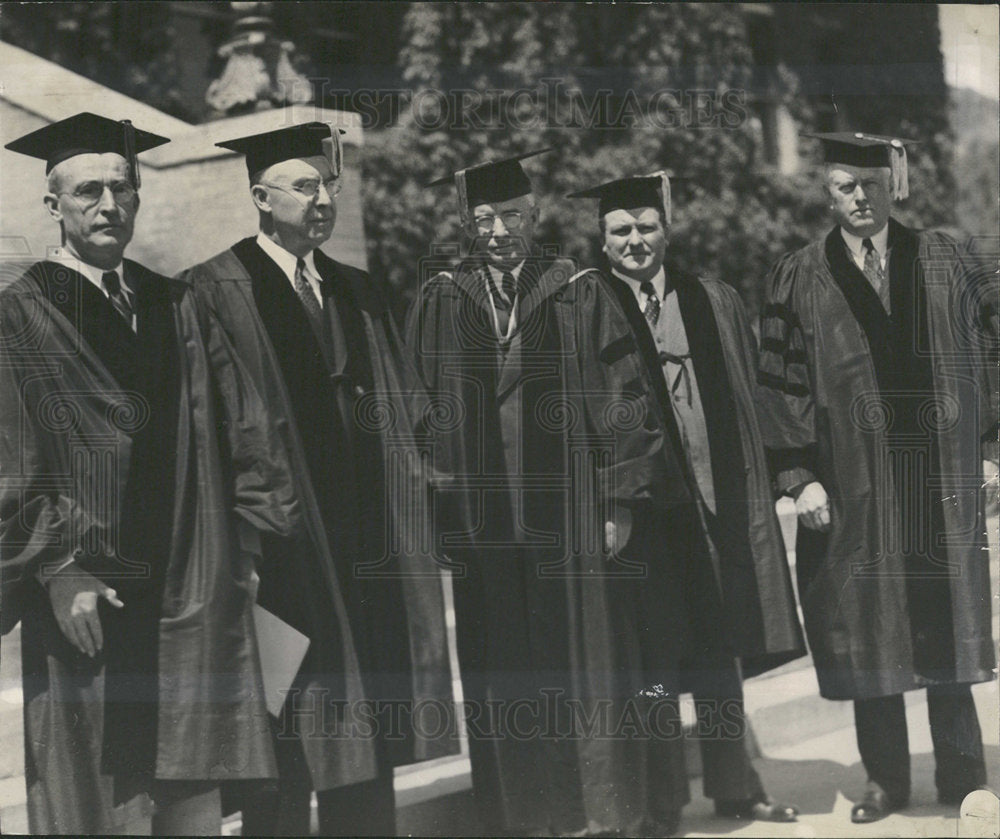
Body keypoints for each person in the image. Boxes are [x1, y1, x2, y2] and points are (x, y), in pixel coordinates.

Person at [0, 112, 303, 835]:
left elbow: (243, 424)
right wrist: (57, 567)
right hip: (87, 589)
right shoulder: (19, 311)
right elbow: (7, 452)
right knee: (100, 794)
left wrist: (252, 544)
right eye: (88, 191)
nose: (108, 205)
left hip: (189, 586)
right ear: (54, 206)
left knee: (192, 783)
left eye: (122, 188)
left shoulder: (176, 302)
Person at [178, 121, 454, 836]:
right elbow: (207, 429)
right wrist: (242, 541)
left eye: (330, 184)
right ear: (261, 197)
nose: (323, 198)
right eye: (305, 186)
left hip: (368, 544)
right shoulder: (214, 287)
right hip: (281, 549)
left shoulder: (357, 290)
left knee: (366, 721)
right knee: (288, 722)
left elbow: (406, 412)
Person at [757, 132, 996, 823]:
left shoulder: (948, 261)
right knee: (870, 629)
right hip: (854, 487)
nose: (857, 197)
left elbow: (992, 354)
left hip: (939, 479)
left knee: (949, 624)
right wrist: (799, 475)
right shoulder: (797, 275)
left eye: (867, 182)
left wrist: (992, 449)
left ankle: (963, 774)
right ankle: (885, 779)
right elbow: (782, 384)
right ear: (826, 192)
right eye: (843, 186)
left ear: (891, 183)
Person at [558, 172, 806, 835]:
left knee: (721, 653)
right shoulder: (586, 301)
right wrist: (615, 499)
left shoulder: (710, 298)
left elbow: (751, 395)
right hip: (648, 513)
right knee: (657, 660)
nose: (634, 240)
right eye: (620, 231)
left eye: (645, 227)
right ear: (602, 240)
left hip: (717, 500)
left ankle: (736, 787)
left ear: (666, 230)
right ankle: (662, 804)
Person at [405, 151, 587, 835]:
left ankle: (573, 807)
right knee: (496, 665)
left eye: (512, 213)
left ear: (535, 212)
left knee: (564, 659)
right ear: (466, 223)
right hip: (480, 518)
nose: (500, 228)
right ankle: (511, 816)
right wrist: (438, 500)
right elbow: (418, 405)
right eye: (484, 217)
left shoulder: (571, 285)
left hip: (558, 513)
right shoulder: (441, 295)